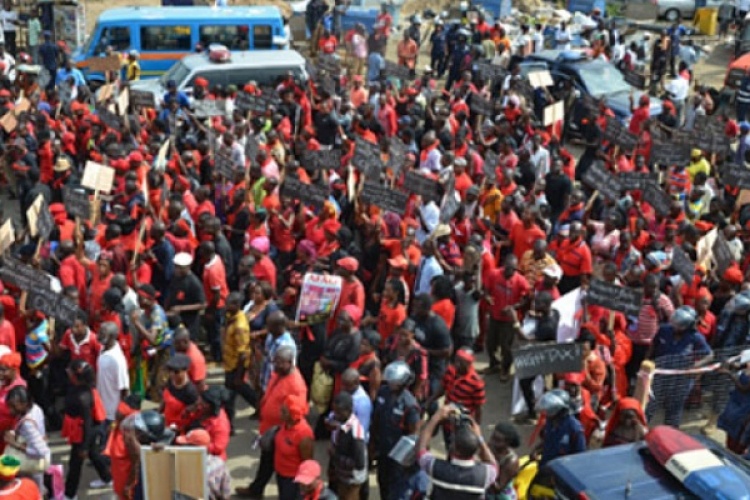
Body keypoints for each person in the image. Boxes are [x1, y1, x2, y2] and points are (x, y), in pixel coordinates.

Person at [235, 346, 306, 498]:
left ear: (290, 362)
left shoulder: (296, 385)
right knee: (266, 462)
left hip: (281, 432)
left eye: (280, 363)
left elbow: (297, 413)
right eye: (275, 362)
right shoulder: (278, 374)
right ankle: (256, 489)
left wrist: (284, 430)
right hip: (268, 429)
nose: (276, 365)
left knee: (279, 468)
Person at [416, 403, 498, 498]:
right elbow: (493, 464)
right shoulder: (485, 474)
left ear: (453, 448)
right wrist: (479, 437)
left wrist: (436, 417)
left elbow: (421, 448)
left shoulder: (435, 467)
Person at [62, 360, 112, 497]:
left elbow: (87, 423)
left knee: (75, 464)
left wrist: (84, 446)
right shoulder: (78, 387)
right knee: (94, 455)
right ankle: (107, 477)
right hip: (85, 430)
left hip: (85, 432)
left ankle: (70, 494)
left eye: (70, 371)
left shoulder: (83, 398)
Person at [373, 360, 421, 500]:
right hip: (383, 450)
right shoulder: (383, 392)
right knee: (382, 481)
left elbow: (414, 434)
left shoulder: (410, 405)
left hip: (399, 456)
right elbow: (376, 418)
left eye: (394, 382)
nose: (391, 384)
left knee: (396, 488)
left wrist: (405, 460)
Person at [3, 386, 49, 487]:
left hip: (30, 466)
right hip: (36, 466)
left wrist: (14, 444)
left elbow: (40, 451)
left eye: (13, 406)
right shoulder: (35, 408)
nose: (10, 410)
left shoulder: (27, 424)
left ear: (24, 403)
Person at [327, 392, 367, 499]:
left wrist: (335, 455)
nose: (336, 415)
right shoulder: (341, 422)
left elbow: (359, 464)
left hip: (352, 479)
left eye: (339, 412)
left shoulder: (355, 433)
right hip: (342, 475)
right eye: (334, 411)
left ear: (349, 411)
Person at [274, 394, 314, 498]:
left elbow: (307, 462)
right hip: (281, 473)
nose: (280, 413)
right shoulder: (286, 424)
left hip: (293, 479)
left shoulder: (304, 434)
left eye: (284, 411)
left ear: (292, 415)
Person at [175, 429, 231, 499]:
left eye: (186, 445)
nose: (183, 448)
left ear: (195, 450)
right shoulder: (219, 464)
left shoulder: (184, 470)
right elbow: (226, 493)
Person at [487, 422, 521, 500]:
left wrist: (488, 462)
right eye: (492, 437)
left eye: (498, 440)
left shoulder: (511, 461)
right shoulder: (491, 446)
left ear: (507, 443)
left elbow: (498, 489)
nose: (492, 441)